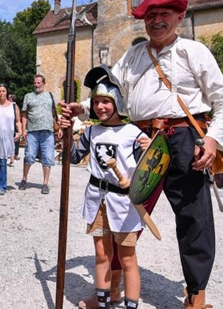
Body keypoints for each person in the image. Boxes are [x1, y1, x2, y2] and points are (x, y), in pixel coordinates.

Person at [62, 0, 223, 309]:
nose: (157, 21)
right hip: (140, 140)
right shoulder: (133, 56)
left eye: (164, 14)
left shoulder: (194, 52)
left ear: (179, 17)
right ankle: (112, 288)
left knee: (194, 218)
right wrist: (83, 108)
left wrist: (212, 139)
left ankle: (196, 296)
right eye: (150, 16)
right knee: (121, 211)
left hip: (185, 139)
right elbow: (111, 94)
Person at [63, 66, 146, 309]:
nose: (100, 107)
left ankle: (130, 305)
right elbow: (73, 158)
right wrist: (65, 132)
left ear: (117, 102)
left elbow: (148, 171)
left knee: (127, 257)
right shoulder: (91, 132)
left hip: (123, 202)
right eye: (97, 102)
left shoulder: (133, 133)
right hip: (96, 200)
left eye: (106, 102)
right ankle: (102, 302)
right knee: (101, 254)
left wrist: (150, 149)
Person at [20, 74, 62, 194]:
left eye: (39, 83)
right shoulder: (28, 96)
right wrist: (24, 129)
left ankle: (45, 184)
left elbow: (54, 112)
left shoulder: (50, 95)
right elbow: (24, 114)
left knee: (48, 157)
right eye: (35, 83)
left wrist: (59, 128)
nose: (36, 85)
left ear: (43, 83)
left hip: (48, 132)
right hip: (32, 131)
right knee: (29, 155)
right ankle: (24, 179)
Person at [8, 94, 21, 166]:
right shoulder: (16, 107)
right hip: (13, 127)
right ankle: (12, 160)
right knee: (12, 143)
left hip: (7, 126)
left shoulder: (8, 105)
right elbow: (18, 119)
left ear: (10, 99)